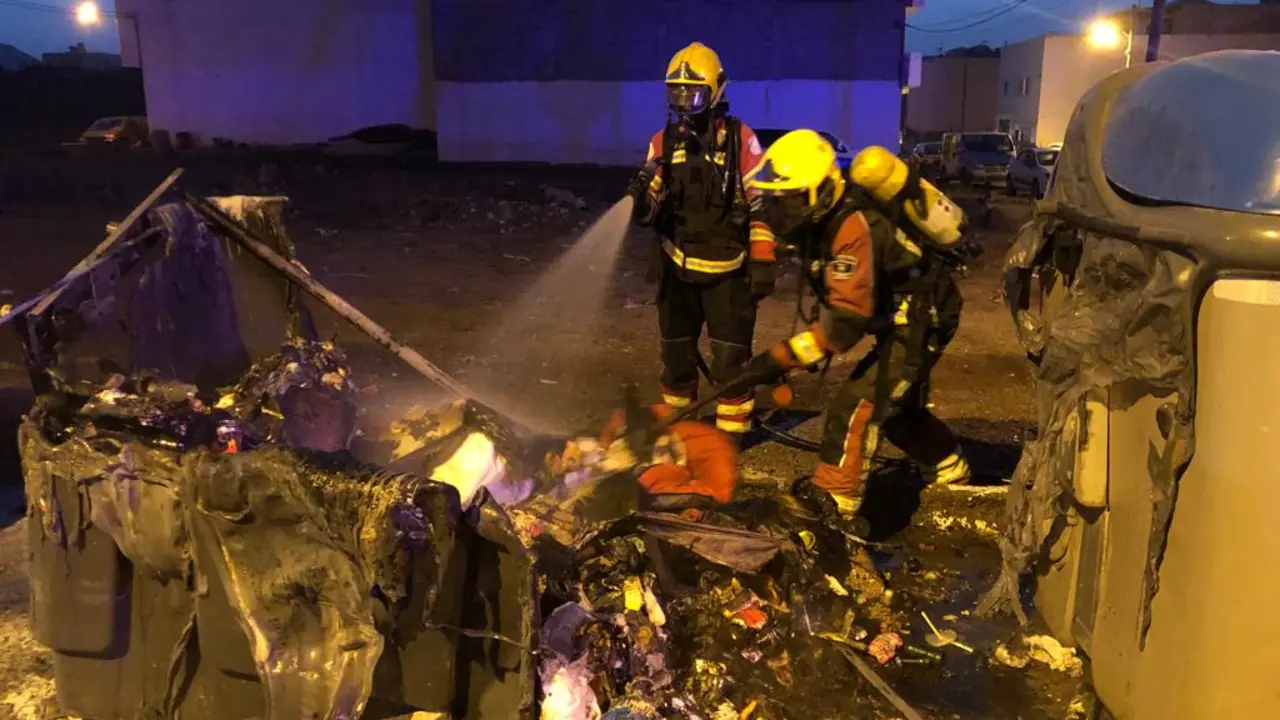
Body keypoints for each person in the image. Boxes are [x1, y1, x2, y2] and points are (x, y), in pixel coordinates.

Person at [726, 129, 972, 517]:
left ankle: (834, 503)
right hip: (899, 312)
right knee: (896, 408)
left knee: (859, 403)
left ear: (821, 192)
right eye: (775, 201)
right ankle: (949, 469)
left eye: (788, 202)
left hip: (922, 315)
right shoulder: (819, 223)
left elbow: (844, 325)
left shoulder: (853, 228)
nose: (779, 213)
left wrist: (774, 361)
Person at [626, 41, 777, 441]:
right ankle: (680, 438)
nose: (684, 103)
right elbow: (650, 209)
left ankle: (730, 441)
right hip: (677, 270)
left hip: (729, 274)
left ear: (717, 90)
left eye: (693, 94)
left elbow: (762, 202)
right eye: (676, 93)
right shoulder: (663, 142)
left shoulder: (741, 141)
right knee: (676, 360)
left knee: (731, 362)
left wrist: (763, 259)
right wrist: (641, 200)